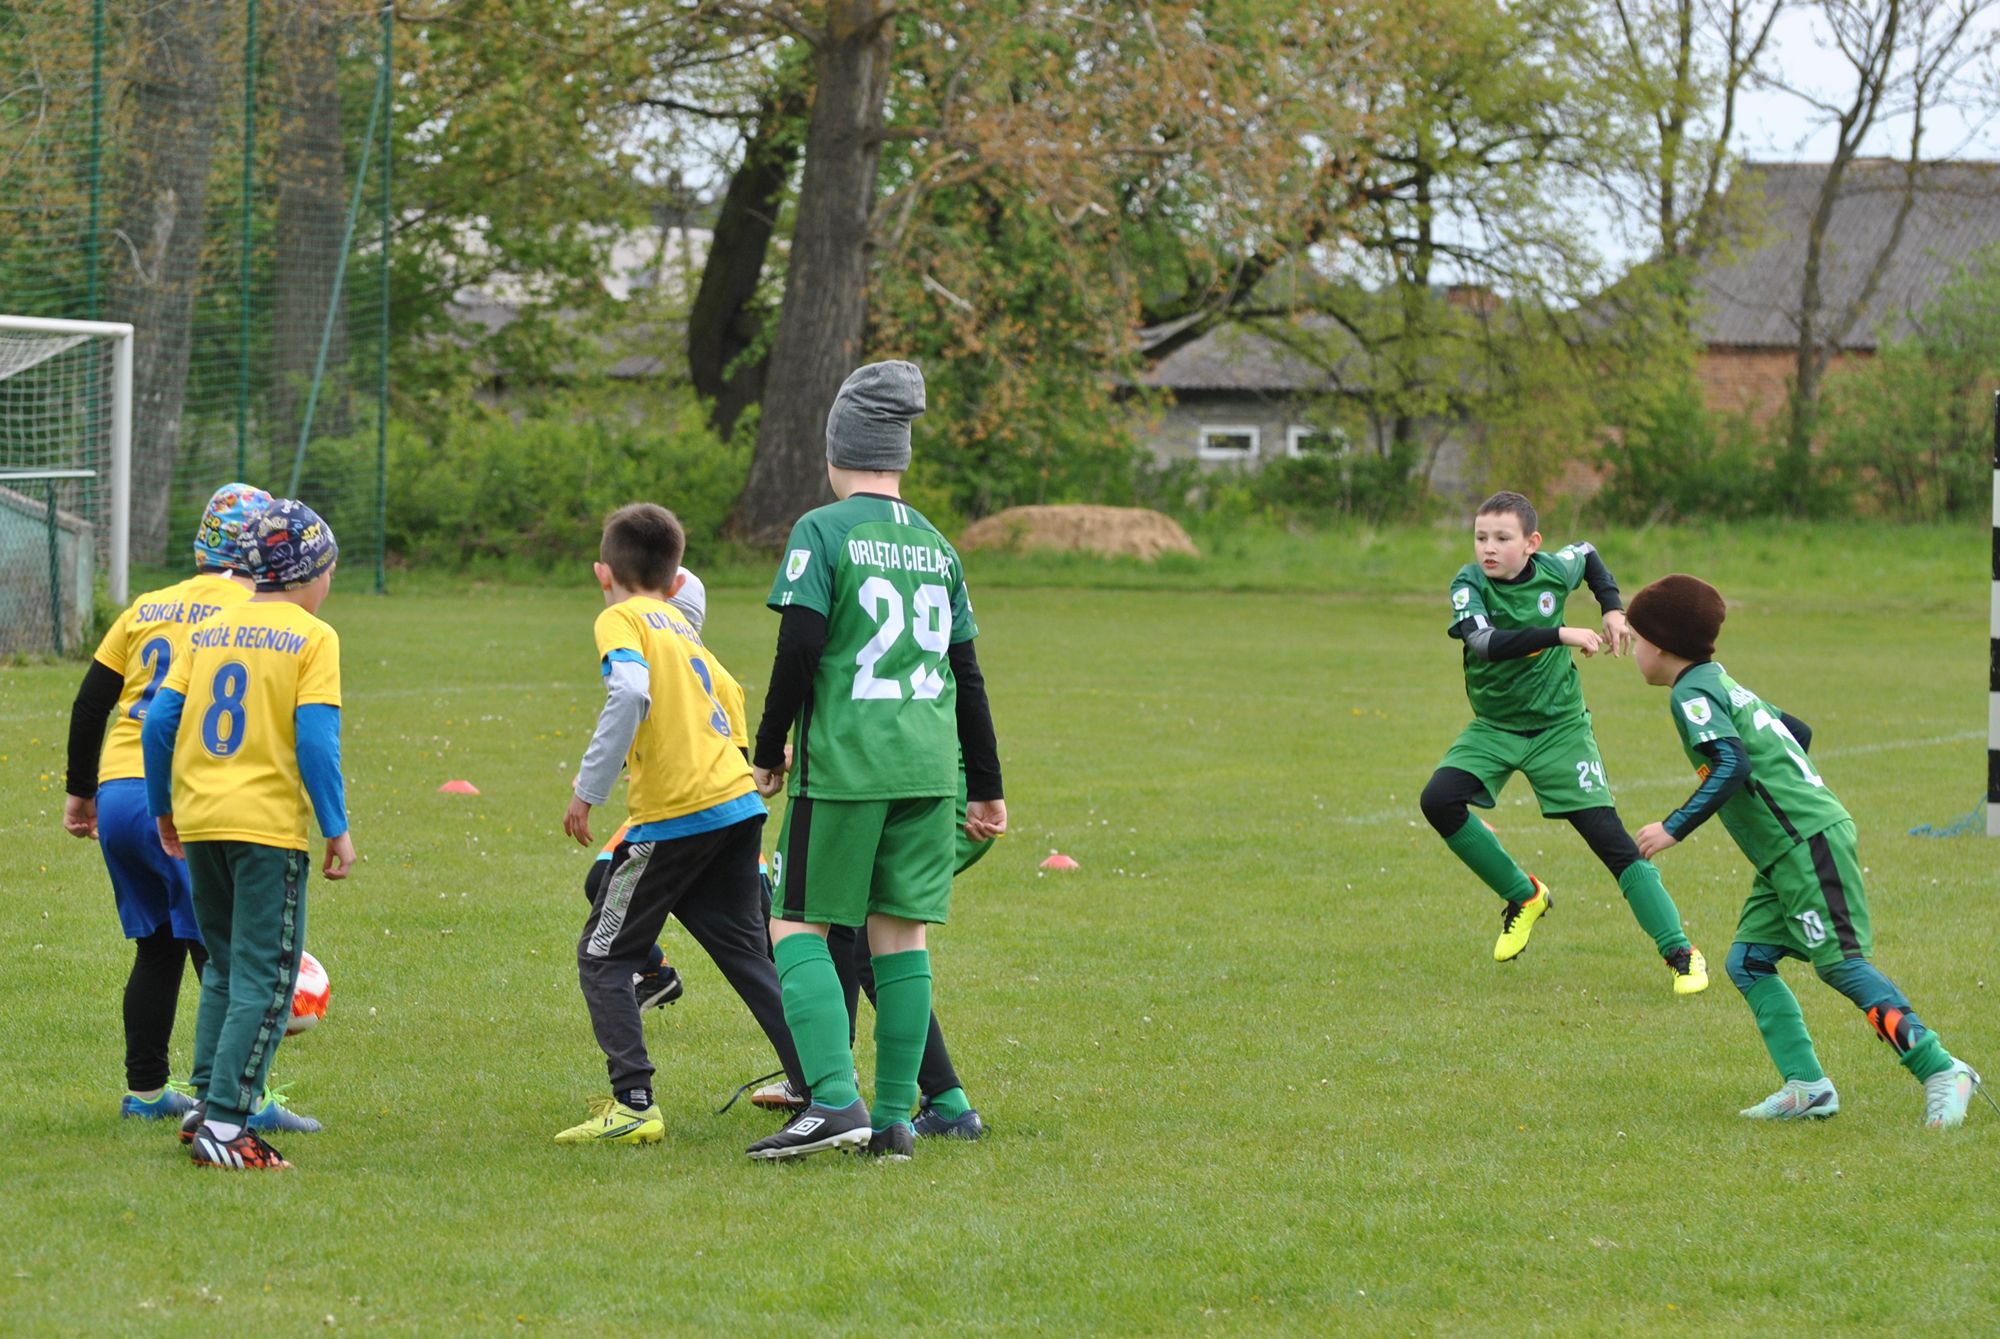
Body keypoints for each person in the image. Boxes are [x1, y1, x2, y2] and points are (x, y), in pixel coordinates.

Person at [746, 359, 1006, 1162]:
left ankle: (830, 1098)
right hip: (929, 770)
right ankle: (895, 1119)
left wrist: (768, 748)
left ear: (837, 450)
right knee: (900, 937)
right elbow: (967, 673)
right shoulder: (936, 544)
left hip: (850, 765)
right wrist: (988, 786)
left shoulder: (822, 530)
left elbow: (801, 644)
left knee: (794, 920)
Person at [1626, 573, 1985, 1127]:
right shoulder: (1720, 680)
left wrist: (1673, 826)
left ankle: (1941, 1068)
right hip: (1787, 851)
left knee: (1841, 965)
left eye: (1635, 635)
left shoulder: (1690, 693)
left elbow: (1732, 763)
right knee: (1748, 961)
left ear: (1661, 643)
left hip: (1805, 842)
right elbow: (1797, 731)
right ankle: (1808, 1087)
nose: (1631, 646)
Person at [61, 482, 320, 1136]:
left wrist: (79, 791)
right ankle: (237, 1099)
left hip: (120, 795)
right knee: (228, 952)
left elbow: (93, 700)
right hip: (179, 794)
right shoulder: (252, 607)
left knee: (157, 945)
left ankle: (147, 1089)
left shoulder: (147, 604)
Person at [557, 507, 807, 1144]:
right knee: (748, 954)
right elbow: (731, 693)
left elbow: (630, 692)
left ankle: (634, 1103)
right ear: (674, 582)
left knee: (602, 954)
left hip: (678, 813)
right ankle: (819, 1085)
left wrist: (588, 791)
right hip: (736, 804)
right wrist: (746, 762)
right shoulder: (683, 626)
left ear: (602, 573)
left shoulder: (620, 617)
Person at [1420, 491, 1708, 993]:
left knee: (1612, 844)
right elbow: (1483, 644)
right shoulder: (1469, 584)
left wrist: (1614, 609)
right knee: (1439, 801)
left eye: (1502, 538)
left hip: (1560, 731)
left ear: (1531, 543)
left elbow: (1591, 554)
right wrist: (1560, 633)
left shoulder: (1555, 568)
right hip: (1494, 728)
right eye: (1481, 537)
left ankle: (1681, 952)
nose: (1488, 548)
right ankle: (1524, 894)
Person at [142, 498, 352, 1170]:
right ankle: (228, 1126)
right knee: (267, 975)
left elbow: (157, 723)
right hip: (265, 828)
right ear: (311, 572)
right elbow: (317, 740)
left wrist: (164, 808)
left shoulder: (208, 628)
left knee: (227, 969)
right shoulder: (314, 637)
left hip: (201, 818)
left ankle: (206, 1103)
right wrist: (337, 828)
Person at [751, 760, 993, 1141]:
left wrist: (776, 752)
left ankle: (849, 1091)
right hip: (937, 790)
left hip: (925, 794)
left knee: (868, 943)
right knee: (860, 932)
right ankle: (866, 1090)